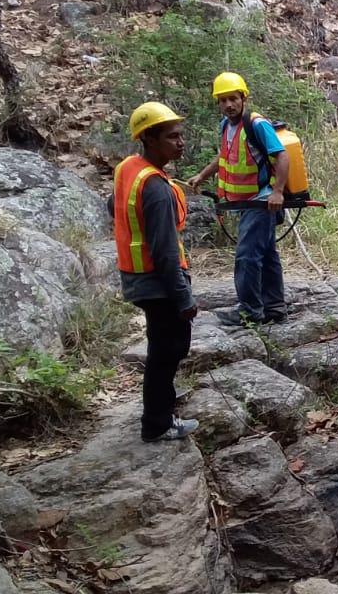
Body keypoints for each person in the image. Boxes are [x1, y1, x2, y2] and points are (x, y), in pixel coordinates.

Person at [114, 102, 200, 442]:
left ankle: (161, 406)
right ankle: (158, 423)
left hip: (137, 278)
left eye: (181, 135)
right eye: (172, 136)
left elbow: (115, 206)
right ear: (149, 139)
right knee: (168, 351)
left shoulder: (129, 169)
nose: (180, 142)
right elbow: (165, 253)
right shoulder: (156, 188)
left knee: (162, 349)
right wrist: (184, 298)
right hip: (158, 283)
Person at [187, 72, 289, 326]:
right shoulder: (227, 125)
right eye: (222, 100)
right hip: (246, 202)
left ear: (243, 97)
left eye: (232, 99)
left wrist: (277, 192)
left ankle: (250, 312)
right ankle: (274, 307)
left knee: (246, 256)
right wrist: (201, 176)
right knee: (265, 254)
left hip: (261, 200)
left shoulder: (256, 124)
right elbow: (225, 156)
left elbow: (282, 156)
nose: (228, 105)